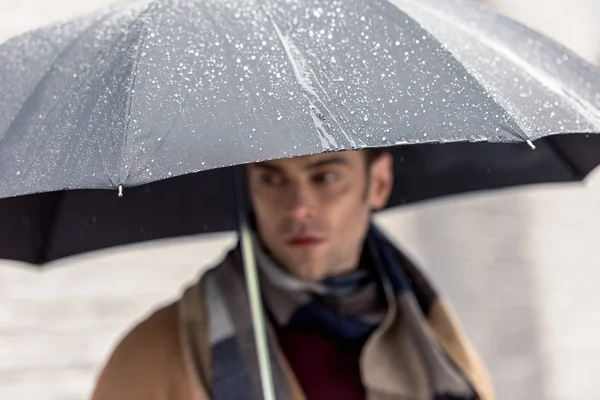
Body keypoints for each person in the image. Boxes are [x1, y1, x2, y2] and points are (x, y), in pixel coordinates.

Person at [91, 149, 494, 400]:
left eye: (325, 177)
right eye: (271, 178)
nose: (298, 207)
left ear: (379, 183)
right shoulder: (153, 355)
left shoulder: (438, 344)